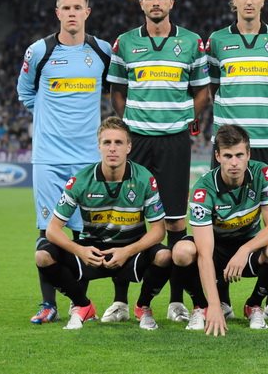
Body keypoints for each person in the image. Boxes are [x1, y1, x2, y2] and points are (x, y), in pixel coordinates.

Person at [107, 0, 210, 324]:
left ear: (171, 2)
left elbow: (202, 92)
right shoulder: (124, 43)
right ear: (141, 3)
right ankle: (120, 301)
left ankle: (176, 301)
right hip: (137, 140)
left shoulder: (192, 42)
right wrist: (129, 125)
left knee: (175, 220)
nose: (155, 2)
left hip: (174, 141)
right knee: (127, 217)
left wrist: (185, 119)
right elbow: (117, 90)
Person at [17, 0, 114, 324]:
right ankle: (49, 304)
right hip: (49, 158)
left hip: (88, 159)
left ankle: (78, 303)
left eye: (77, 7)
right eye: (66, 8)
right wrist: (49, 120)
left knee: (84, 234)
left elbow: (114, 88)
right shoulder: (39, 51)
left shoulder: (101, 51)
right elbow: (25, 93)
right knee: (48, 231)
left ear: (87, 12)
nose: (72, 13)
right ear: (57, 13)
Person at [207, 0, 268, 321]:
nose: (248, 0)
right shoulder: (216, 41)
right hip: (228, 143)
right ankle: (223, 299)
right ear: (234, 1)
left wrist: (267, 116)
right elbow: (212, 86)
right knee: (220, 219)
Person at [34, 117, 172, 330]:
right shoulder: (81, 180)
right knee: (42, 256)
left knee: (164, 256)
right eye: (107, 142)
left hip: (131, 253)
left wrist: (127, 251)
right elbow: (52, 229)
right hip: (92, 252)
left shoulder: (144, 178)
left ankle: (143, 306)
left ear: (128, 147)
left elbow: (159, 230)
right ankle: (83, 305)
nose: (112, 148)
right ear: (98, 146)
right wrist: (79, 250)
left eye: (118, 142)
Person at [171, 125, 268, 335]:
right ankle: (202, 306)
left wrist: (244, 250)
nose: (234, 162)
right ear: (218, 156)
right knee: (181, 252)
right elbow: (204, 254)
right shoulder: (203, 190)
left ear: (248, 154)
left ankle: (254, 304)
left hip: (248, 246)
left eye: (239, 155)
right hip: (215, 249)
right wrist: (214, 305)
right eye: (228, 156)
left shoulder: (262, 173)